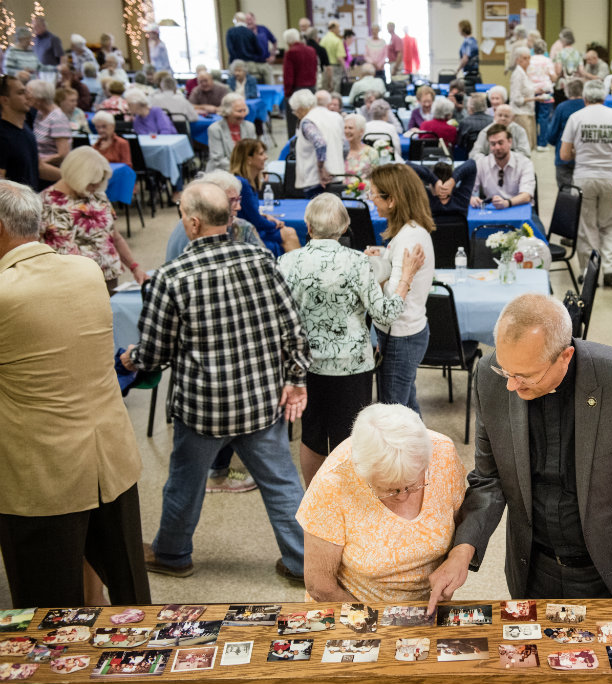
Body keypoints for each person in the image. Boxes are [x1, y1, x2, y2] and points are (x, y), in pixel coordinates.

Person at [426, 293, 612, 606]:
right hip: (534, 572)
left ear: (565, 356)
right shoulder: (490, 376)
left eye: (525, 375)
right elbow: (489, 477)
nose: (511, 385)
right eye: (506, 371)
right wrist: (463, 549)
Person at [120, 181, 310, 583]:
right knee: (281, 485)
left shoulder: (171, 277)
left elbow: (155, 353)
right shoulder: (261, 259)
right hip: (260, 401)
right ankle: (303, 563)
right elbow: (293, 329)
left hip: (202, 407)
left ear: (192, 222)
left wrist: (128, 357)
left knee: (184, 484)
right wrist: (295, 379)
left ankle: (172, 554)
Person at [0, 179, 151, 609]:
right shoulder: (85, 271)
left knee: (46, 615)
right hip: (110, 460)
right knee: (131, 598)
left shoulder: (5, 294)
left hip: (43, 477)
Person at [279, 195, 426, 484]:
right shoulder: (359, 263)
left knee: (312, 436)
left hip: (307, 364)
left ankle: (316, 500)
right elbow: (384, 314)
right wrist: (406, 276)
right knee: (351, 437)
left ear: (308, 227)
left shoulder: (287, 262)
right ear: (345, 227)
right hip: (352, 365)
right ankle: (350, 501)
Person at [298, 403, 466, 602]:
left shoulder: (442, 453)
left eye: (412, 485)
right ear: (362, 474)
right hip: (355, 609)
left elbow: (461, 522)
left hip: (427, 605)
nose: (403, 496)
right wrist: (375, 627)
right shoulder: (333, 482)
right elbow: (320, 586)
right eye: (389, 490)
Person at [365, 164, 436, 413]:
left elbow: (392, 302)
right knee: (406, 405)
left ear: (392, 199)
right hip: (406, 333)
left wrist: (375, 279)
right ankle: (424, 451)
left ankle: (414, 453)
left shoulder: (409, 239)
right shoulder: (411, 231)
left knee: (394, 413)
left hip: (400, 336)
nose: (371, 199)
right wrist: (384, 256)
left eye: (374, 193)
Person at [40, 147, 146, 294]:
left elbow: (115, 237)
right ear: (77, 176)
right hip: (70, 285)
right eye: (92, 183)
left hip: (108, 278)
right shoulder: (45, 203)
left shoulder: (97, 195)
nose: (96, 187)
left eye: (100, 182)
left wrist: (135, 268)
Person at [561, 80, 612, 286]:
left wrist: (582, 152)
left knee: (586, 224)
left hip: (584, 176)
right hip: (611, 176)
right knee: (610, 223)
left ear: (584, 99)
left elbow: (565, 154)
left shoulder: (576, 117)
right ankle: (609, 266)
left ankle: (589, 269)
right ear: (604, 97)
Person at [164, 170, 265, 262]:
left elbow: (263, 260)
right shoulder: (189, 230)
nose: (238, 207)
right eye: (231, 201)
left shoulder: (243, 227)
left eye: (238, 199)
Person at [230, 139, 300, 255]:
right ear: (249, 159)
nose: (266, 157)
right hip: (248, 232)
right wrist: (275, 224)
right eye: (261, 154)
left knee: (289, 232)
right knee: (289, 233)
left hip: (250, 228)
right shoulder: (242, 184)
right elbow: (255, 220)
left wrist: (265, 216)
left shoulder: (246, 182)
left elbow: (249, 213)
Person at [1, 75, 59, 190]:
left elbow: (39, 167)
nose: (29, 97)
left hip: (31, 203)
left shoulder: (26, 128)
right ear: (4, 100)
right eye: (21, 93)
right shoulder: (2, 136)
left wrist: (70, 177)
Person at [289, 89, 345, 198]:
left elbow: (320, 143)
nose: (295, 114)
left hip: (317, 180)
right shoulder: (336, 117)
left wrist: (321, 168)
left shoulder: (308, 121)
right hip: (337, 175)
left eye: (295, 111)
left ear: (301, 108)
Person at [471, 123, 536, 211]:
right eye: (493, 144)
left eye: (500, 143)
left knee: (536, 225)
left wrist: (506, 203)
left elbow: (526, 196)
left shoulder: (524, 163)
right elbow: (469, 190)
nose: (497, 147)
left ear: (510, 142)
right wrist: (471, 198)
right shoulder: (481, 163)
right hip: (492, 208)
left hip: (518, 206)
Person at [548, 78, 585, 190]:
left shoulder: (561, 107)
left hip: (563, 154)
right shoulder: (587, 107)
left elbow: (551, 135)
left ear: (567, 92)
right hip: (584, 155)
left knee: (566, 192)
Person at [206, 94, 256, 173]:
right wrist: (240, 170)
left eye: (244, 110)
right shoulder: (215, 129)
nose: (243, 114)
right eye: (239, 111)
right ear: (227, 111)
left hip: (246, 171)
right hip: (222, 172)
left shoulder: (249, 126)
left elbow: (255, 151)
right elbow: (218, 160)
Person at [410, 160, 478, 216]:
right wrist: (453, 179)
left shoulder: (423, 200)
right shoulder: (461, 199)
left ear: (430, 184)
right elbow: (472, 164)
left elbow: (405, 166)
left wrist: (434, 180)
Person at [26, 79, 71, 165]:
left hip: (52, 169)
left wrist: (37, 163)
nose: (26, 97)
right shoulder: (40, 113)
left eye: (29, 94)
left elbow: (62, 154)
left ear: (39, 97)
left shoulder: (57, 118)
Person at [509, 46, 539, 151]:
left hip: (529, 113)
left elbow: (526, 91)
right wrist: (535, 99)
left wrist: (538, 92)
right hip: (520, 114)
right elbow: (516, 98)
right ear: (518, 59)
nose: (528, 61)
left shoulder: (524, 72)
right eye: (525, 58)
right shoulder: (517, 74)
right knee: (524, 147)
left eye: (529, 58)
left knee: (531, 146)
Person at [529, 39, 556, 147]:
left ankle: (534, 141)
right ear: (545, 49)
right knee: (544, 117)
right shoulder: (548, 61)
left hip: (532, 91)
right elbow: (553, 77)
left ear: (533, 49)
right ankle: (543, 143)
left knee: (533, 116)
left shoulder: (529, 60)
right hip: (546, 91)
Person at [343, 113, 379, 178]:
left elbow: (376, 179)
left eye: (350, 128)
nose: (346, 131)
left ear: (361, 131)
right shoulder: (340, 152)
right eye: (345, 128)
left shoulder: (371, 153)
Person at [246, 12, 277, 79]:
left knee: (269, 83)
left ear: (254, 19)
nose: (249, 21)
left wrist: (273, 55)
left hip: (265, 62)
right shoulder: (244, 32)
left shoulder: (263, 29)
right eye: (247, 20)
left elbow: (274, 41)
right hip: (251, 64)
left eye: (250, 19)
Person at [553, 29, 583, 94]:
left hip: (562, 86)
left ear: (563, 40)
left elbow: (558, 71)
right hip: (575, 85)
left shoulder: (560, 54)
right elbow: (581, 71)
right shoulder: (578, 53)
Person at [457, 20, 479, 84]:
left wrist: (458, 70)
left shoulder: (467, 42)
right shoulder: (474, 40)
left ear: (462, 29)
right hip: (475, 72)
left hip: (469, 73)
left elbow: (465, 59)